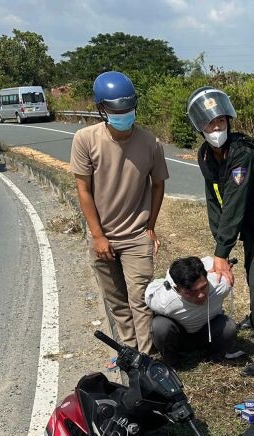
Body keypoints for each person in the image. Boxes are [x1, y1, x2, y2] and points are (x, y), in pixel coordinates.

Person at [186, 86, 254, 377]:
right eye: (210, 123)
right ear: (200, 127)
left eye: (221, 121)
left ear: (228, 121)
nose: (217, 128)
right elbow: (214, 199)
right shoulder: (206, 156)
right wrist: (219, 244)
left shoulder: (243, 154)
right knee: (251, 271)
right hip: (250, 225)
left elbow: (234, 203)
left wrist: (222, 252)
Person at [71, 71, 168, 362]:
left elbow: (158, 184)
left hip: (137, 235)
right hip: (103, 235)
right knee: (116, 301)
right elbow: (83, 190)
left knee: (140, 300)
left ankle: (145, 359)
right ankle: (127, 352)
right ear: (102, 109)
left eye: (128, 108)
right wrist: (98, 236)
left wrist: (151, 226)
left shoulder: (151, 142)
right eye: (116, 110)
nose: (123, 115)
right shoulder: (85, 139)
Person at [144, 256, 240, 366]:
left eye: (204, 287)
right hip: (180, 337)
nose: (201, 295)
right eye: (191, 292)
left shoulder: (222, 285)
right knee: (160, 326)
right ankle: (172, 363)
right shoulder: (163, 301)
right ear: (177, 289)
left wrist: (222, 264)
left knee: (228, 326)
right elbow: (150, 291)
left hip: (207, 332)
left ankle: (214, 358)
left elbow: (212, 261)